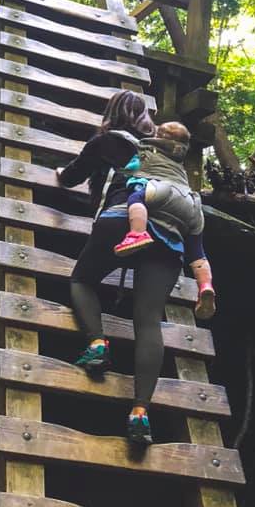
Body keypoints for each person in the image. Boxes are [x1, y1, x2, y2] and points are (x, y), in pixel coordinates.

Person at [56, 90, 214, 446]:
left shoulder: (112, 141)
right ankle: (140, 411)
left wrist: (60, 173)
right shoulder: (172, 160)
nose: (152, 121)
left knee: (82, 280)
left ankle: (97, 343)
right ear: (135, 114)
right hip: (171, 239)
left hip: (121, 222)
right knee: (148, 321)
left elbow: (72, 176)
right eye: (147, 114)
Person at [112, 119, 216, 321]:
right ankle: (205, 285)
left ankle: (137, 233)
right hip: (190, 201)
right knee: (197, 251)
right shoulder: (181, 163)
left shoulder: (149, 151)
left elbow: (129, 168)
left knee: (136, 199)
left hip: (161, 190)